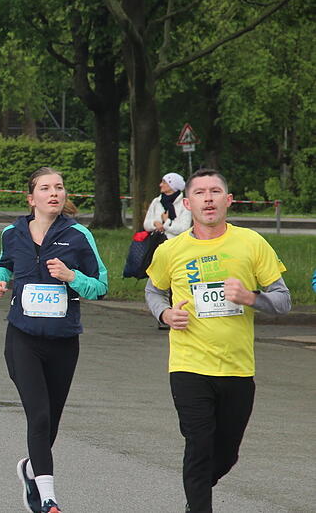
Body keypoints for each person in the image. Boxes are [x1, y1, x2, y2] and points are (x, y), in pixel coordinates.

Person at [145, 168, 291, 513]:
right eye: (200, 193)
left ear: (227, 200)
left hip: (238, 368)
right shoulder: (172, 249)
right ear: (187, 203)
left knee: (225, 454)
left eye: (215, 192)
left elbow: (283, 301)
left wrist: (251, 297)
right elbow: (153, 290)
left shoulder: (251, 243)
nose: (207, 199)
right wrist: (164, 314)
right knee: (198, 444)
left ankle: (195, 493)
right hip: (188, 365)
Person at [0, 166, 108, 513]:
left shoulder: (79, 235)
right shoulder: (13, 233)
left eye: (59, 187)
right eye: (45, 188)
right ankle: (49, 498)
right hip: (22, 338)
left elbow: (101, 286)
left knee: (50, 421)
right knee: (38, 416)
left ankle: (30, 470)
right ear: (31, 198)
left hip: (63, 340)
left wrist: (72, 277)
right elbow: (3, 265)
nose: (54, 193)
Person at [144, 172, 191, 238]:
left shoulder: (185, 203)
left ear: (173, 185)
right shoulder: (156, 201)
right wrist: (154, 224)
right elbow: (146, 224)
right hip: (155, 243)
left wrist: (167, 222)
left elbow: (185, 229)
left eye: (164, 182)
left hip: (176, 244)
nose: (160, 185)